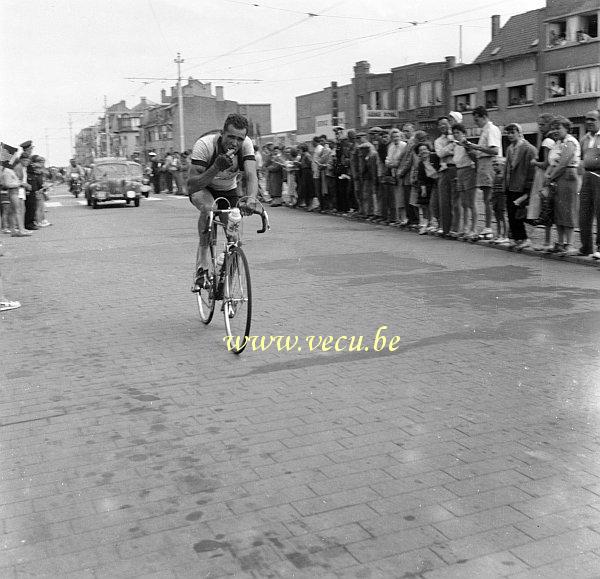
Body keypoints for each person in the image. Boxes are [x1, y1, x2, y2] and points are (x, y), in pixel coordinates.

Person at [187, 113, 258, 291]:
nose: (235, 143)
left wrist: (251, 198)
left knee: (234, 239)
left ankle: (226, 283)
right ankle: (202, 267)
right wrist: (215, 168)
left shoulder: (246, 145)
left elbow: (251, 175)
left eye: (239, 139)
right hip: (204, 188)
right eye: (231, 137)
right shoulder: (205, 145)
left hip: (229, 190)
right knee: (210, 208)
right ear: (222, 134)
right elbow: (192, 185)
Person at [543, 117, 581, 256]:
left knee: (568, 209)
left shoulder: (570, 142)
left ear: (566, 128)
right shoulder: (558, 142)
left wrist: (550, 177)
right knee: (558, 210)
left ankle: (569, 244)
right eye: (553, 128)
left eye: (558, 128)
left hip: (568, 177)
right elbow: (553, 162)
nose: (555, 131)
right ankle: (559, 243)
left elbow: (563, 163)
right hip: (558, 178)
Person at [468, 106, 502, 240]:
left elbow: (494, 150)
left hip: (489, 165)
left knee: (488, 198)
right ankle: (488, 226)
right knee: (486, 198)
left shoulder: (491, 129)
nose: (476, 122)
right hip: (484, 165)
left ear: (483, 116)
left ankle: (489, 227)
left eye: (477, 119)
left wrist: (476, 147)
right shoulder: (485, 130)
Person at [503, 123, 537, 250]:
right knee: (511, 213)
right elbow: (507, 167)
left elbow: (532, 169)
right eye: (508, 133)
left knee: (519, 213)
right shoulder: (509, 149)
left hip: (521, 185)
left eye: (513, 132)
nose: (510, 135)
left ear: (519, 132)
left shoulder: (529, 148)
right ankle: (517, 238)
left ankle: (524, 238)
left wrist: (528, 187)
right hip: (511, 185)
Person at [529, 114, 556, 251]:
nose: (539, 127)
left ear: (549, 125)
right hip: (549, 175)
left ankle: (546, 241)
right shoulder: (554, 139)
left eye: (542, 125)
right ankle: (546, 240)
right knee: (546, 206)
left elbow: (545, 163)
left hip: (542, 175)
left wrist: (534, 162)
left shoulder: (546, 141)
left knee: (543, 206)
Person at [578, 110, 600, 258]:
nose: (589, 122)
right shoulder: (584, 139)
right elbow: (581, 159)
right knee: (584, 212)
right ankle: (586, 247)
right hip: (586, 177)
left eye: (592, 119)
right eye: (587, 119)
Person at [451, 123, 477, 240]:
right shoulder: (456, 145)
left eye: (458, 133)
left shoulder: (467, 144)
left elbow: (474, 157)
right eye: (454, 133)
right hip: (459, 172)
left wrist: (467, 147)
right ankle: (465, 227)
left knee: (471, 202)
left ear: (463, 133)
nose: (456, 135)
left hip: (468, 172)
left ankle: (473, 228)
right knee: (463, 203)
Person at [385, 128, 407, 226]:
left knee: (402, 196)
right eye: (393, 137)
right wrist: (390, 164)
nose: (395, 138)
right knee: (396, 197)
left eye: (397, 136)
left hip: (402, 173)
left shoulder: (404, 145)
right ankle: (399, 218)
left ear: (401, 136)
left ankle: (404, 218)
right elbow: (388, 160)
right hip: (394, 174)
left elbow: (402, 160)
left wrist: (393, 163)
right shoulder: (391, 146)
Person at [491, 157, 508, 243]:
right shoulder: (495, 176)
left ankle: (505, 235)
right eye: (493, 165)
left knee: (502, 216)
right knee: (497, 216)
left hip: (501, 197)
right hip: (495, 197)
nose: (494, 166)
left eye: (497, 164)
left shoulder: (503, 176)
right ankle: (498, 234)